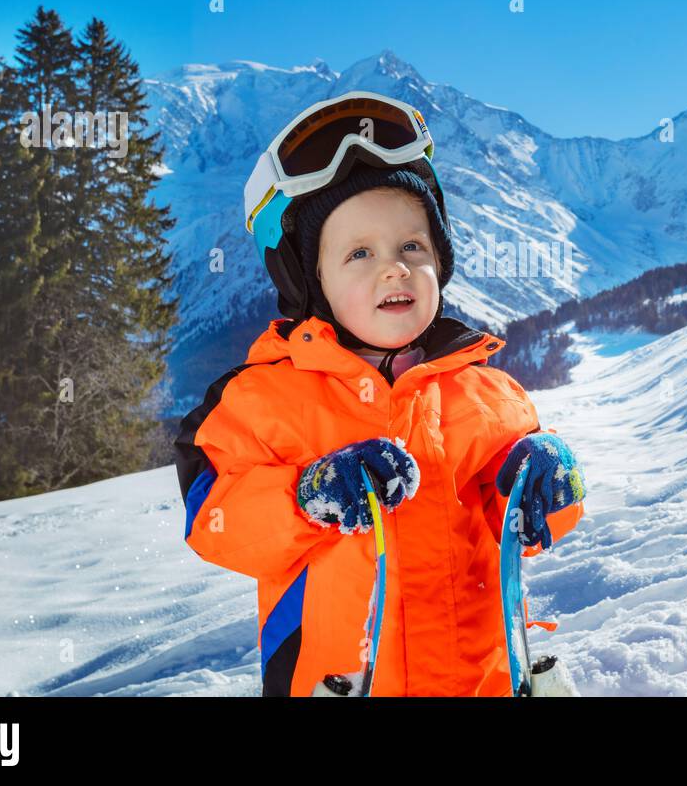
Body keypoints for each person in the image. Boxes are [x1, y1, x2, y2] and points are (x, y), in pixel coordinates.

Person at [174, 91, 587, 696]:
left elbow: (530, 521)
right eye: (359, 253)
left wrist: (548, 478)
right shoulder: (262, 401)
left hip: (483, 684)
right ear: (308, 280)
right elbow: (214, 519)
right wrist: (306, 497)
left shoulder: (489, 393)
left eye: (411, 247)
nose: (393, 268)